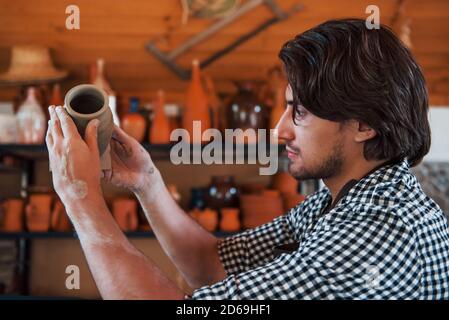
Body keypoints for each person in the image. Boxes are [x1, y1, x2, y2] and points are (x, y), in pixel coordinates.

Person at [46, 19, 449, 299]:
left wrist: (81, 200)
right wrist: (148, 182)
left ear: (364, 124)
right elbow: (214, 264)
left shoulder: (374, 233)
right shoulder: (342, 202)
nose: (280, 130)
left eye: (301, 113)